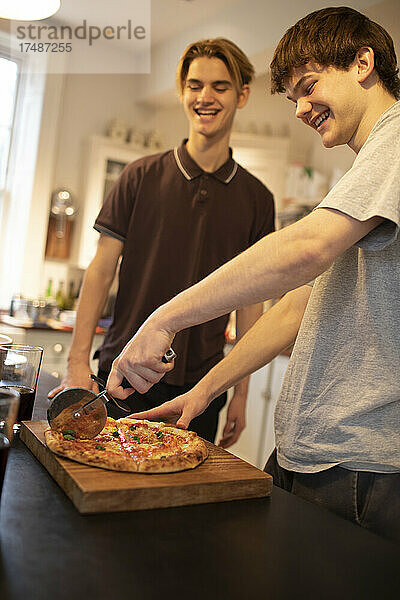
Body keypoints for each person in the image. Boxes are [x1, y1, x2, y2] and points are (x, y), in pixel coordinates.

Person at [106, 7, 400, 542]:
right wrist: (203, 392)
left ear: (363, 63)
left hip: (363, 465)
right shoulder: (367, 170)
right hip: (313, 453)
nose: (302, 110)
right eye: (294, 99)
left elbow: (305, 248)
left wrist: (164, 318)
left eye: (309, 88)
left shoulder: (397, 143)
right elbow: (295, 307)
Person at [48, 37, 275, 445]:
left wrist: (240, 393)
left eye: (220, 86)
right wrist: (77, 362)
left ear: (242, 94)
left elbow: (250, 301)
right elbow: (100, 273)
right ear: (181, 92)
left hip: (202, 391)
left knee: (182, 503)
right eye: (194, 85)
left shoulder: (258, 199)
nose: (205, 97)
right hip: (123, 378)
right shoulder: (139, 176)